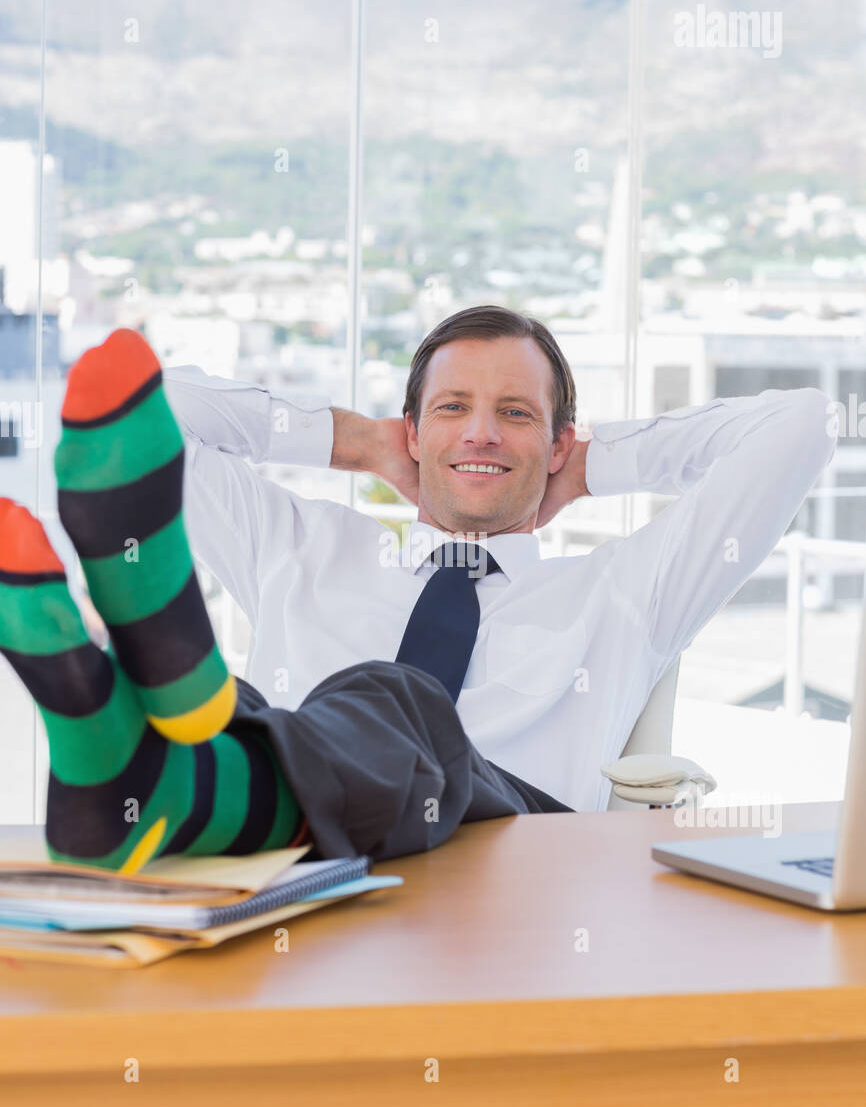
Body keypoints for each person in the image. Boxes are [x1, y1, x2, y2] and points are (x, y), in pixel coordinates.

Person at [0, 307, 837, 871]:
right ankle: (173, 760)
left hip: (505, 856)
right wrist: (356, 444)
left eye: (515, 413)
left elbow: (800, 427)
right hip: (303, 879)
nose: (479, 431)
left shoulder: (624, 593)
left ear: (556, 442)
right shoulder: (303, 546)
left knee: (391, 703)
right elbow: (157, 409)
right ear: (412, 433)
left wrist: (590, 467)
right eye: (452, 410)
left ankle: (151, 747)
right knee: (278, 710)